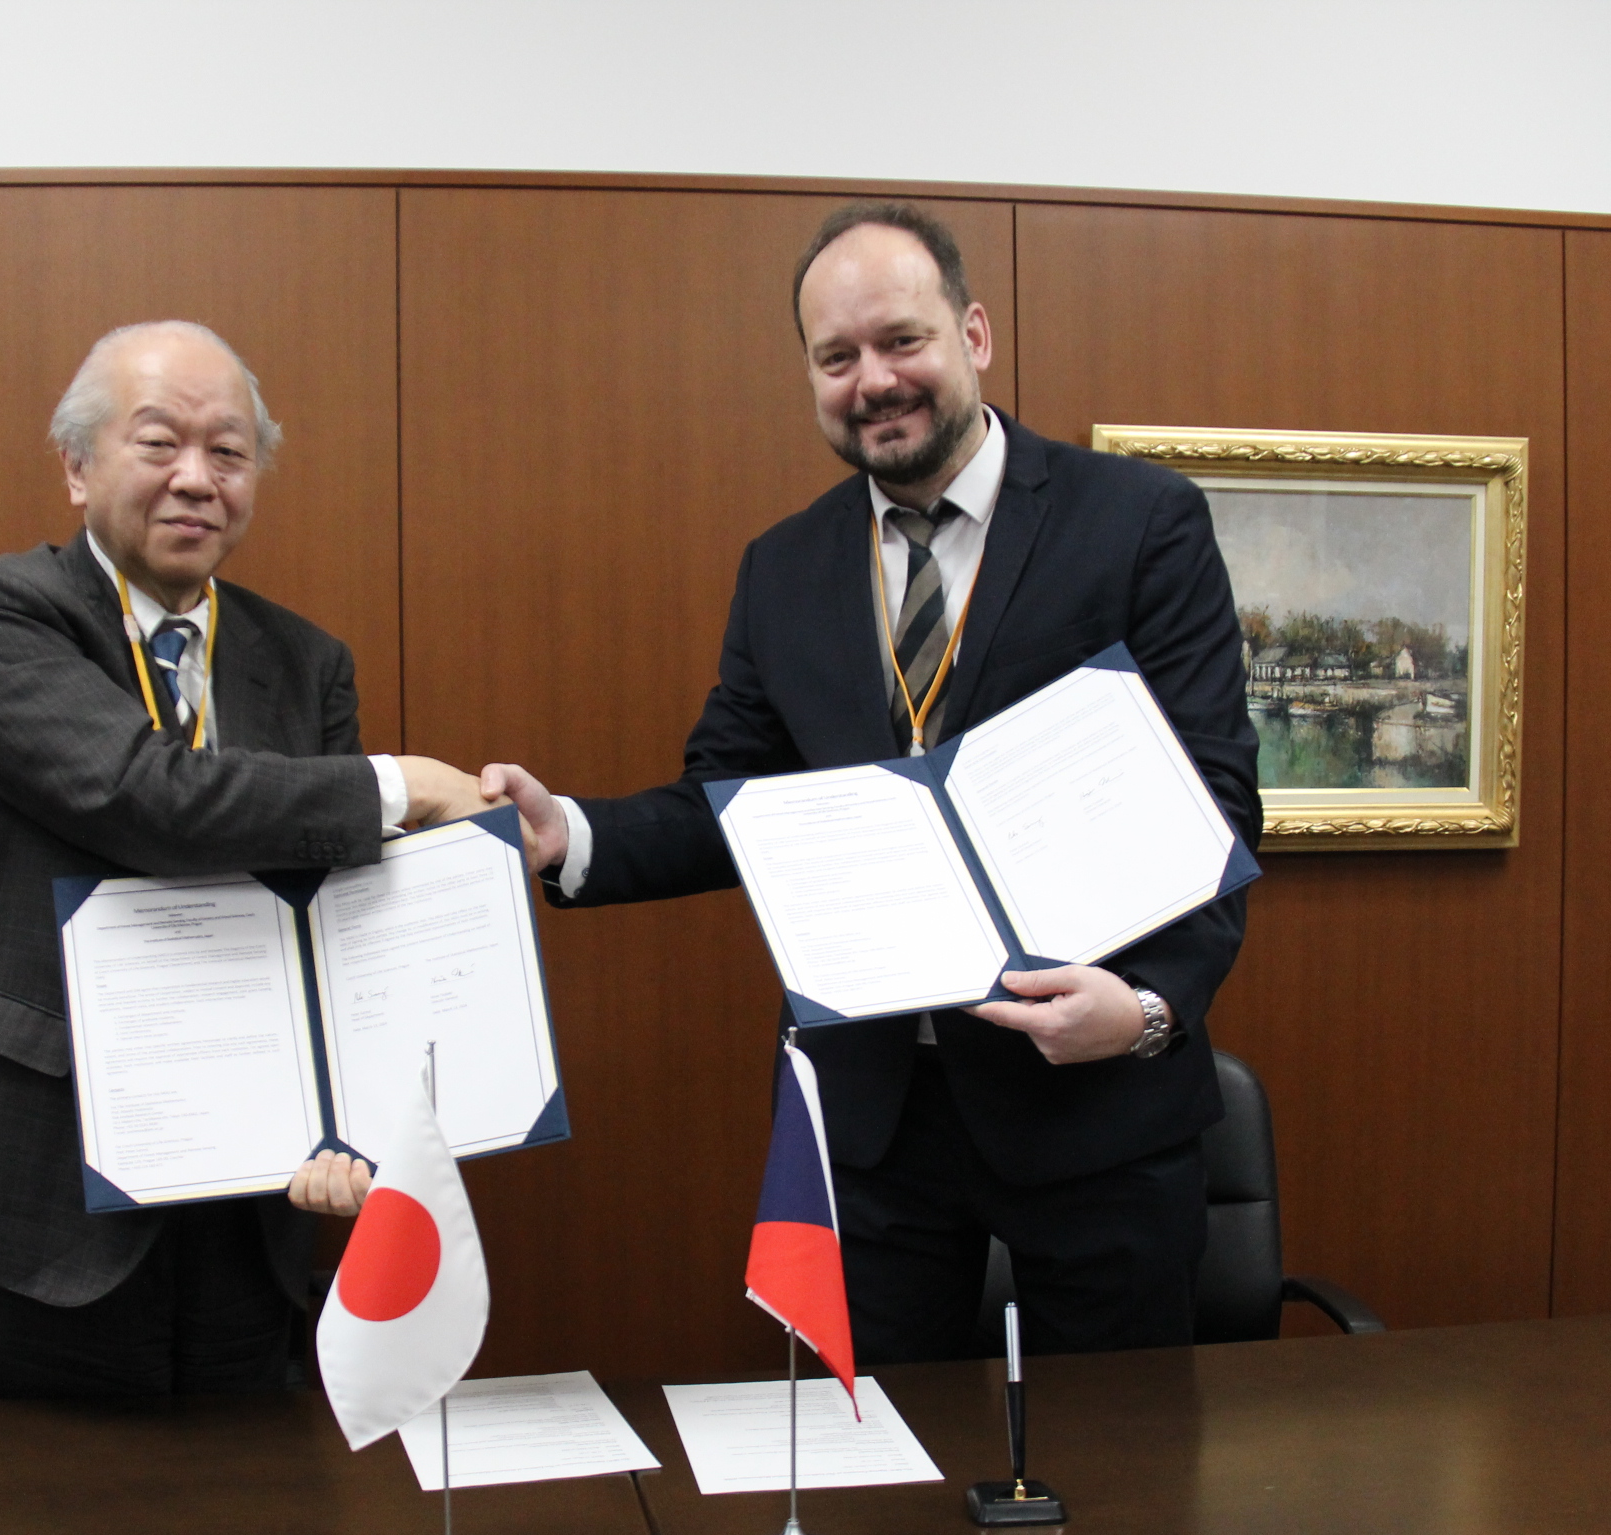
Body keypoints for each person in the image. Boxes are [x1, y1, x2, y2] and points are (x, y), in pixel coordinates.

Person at [485, 204, 1260, 1364]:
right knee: (879, 1482)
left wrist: (1145, 1016)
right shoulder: (783, 567)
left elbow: (1212, 803)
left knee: (1120, 1489)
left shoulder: (1139, 523)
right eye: (836, 357)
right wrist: (573, 838)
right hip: (872, 1126)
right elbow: (732, 803)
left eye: (902, 341)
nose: (873, 381)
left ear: (976, 334)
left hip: (1096, 1111)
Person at [0, 320, 486, 1398]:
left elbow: (333, 917)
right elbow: (143, 798)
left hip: (258, 1203)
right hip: (40, 1202)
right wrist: (399, 786)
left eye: (230, 452)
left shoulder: (306, 664)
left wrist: (352, 1113)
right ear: (76, 466)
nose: (197, 480)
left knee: (255, 1532)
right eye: (159, 443)